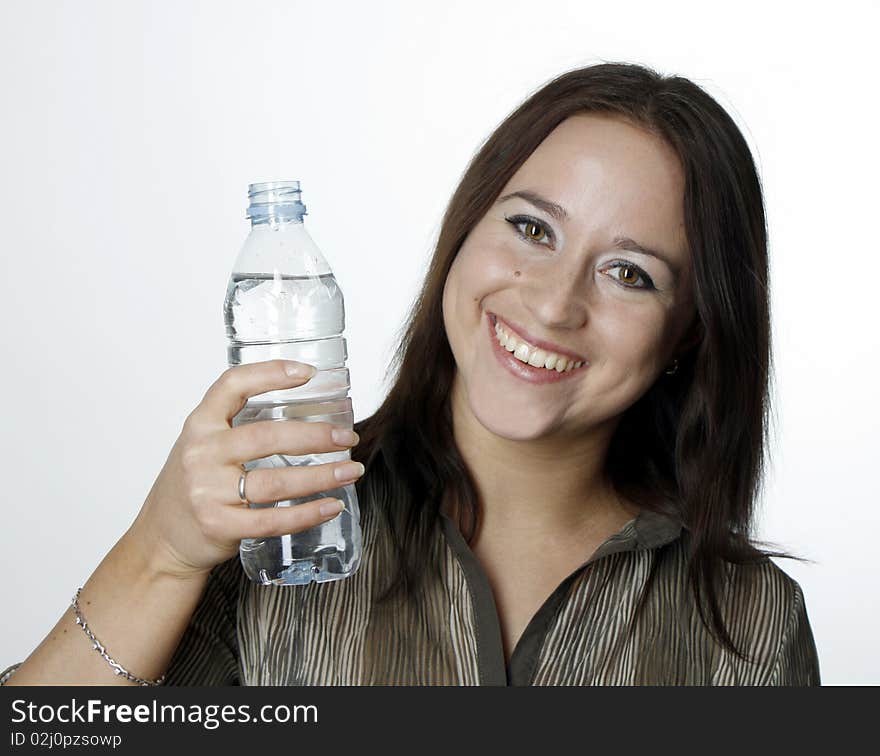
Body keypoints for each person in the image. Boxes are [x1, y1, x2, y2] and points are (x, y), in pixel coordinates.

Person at [2, 61, 821, 686]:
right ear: (466, 230)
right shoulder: (278, 531)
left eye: (631, 273)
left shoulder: (748, 626)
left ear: (690, 333)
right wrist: (164, 552)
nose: (553, 303)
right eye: (533, 228)